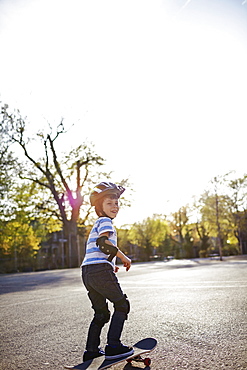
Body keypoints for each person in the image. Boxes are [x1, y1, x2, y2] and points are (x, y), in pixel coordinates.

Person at [81, 182, 133, 362]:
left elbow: (99, 251)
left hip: (88, 272)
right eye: (109, 203)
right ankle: (113, 346)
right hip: (99, 271)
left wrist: (110, 264)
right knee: (122, 305)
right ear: (99, 207)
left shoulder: (97, 223)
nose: (115, 207)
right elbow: (103, 244)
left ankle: (91, 351)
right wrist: (123, 257)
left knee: (101, 314)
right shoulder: (105, 221)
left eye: (116, 203)